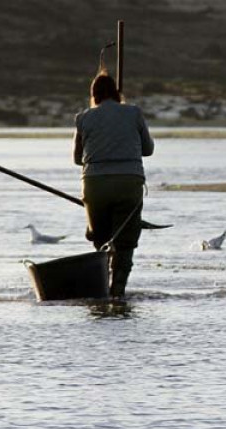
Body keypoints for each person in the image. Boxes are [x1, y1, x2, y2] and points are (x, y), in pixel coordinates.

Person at [73, 73, 154, 297]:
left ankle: (102, 289)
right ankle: (118, 291)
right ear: (117, 94)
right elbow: (147, 150)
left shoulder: (83, 118)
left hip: (94, 185)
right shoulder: (134, 113)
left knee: (100, 238)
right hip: (129, 183)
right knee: (125, 241)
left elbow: (78, 159)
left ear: (94, 94)